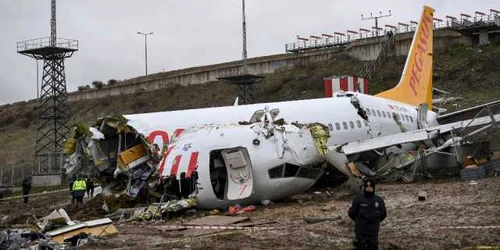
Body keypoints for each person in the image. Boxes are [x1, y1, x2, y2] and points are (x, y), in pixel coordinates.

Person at [348, 178, 387, 250]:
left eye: (371, 187)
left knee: (373, 246)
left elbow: (383, 214)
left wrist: (376, 221)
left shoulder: (378, 200)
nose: (369, 189)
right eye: (367, 187)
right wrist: (358, 221)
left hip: (373, 231)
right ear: (364, 188)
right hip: (361, 230)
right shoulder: (358, 199)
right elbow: (351, 213)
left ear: (373, 188)